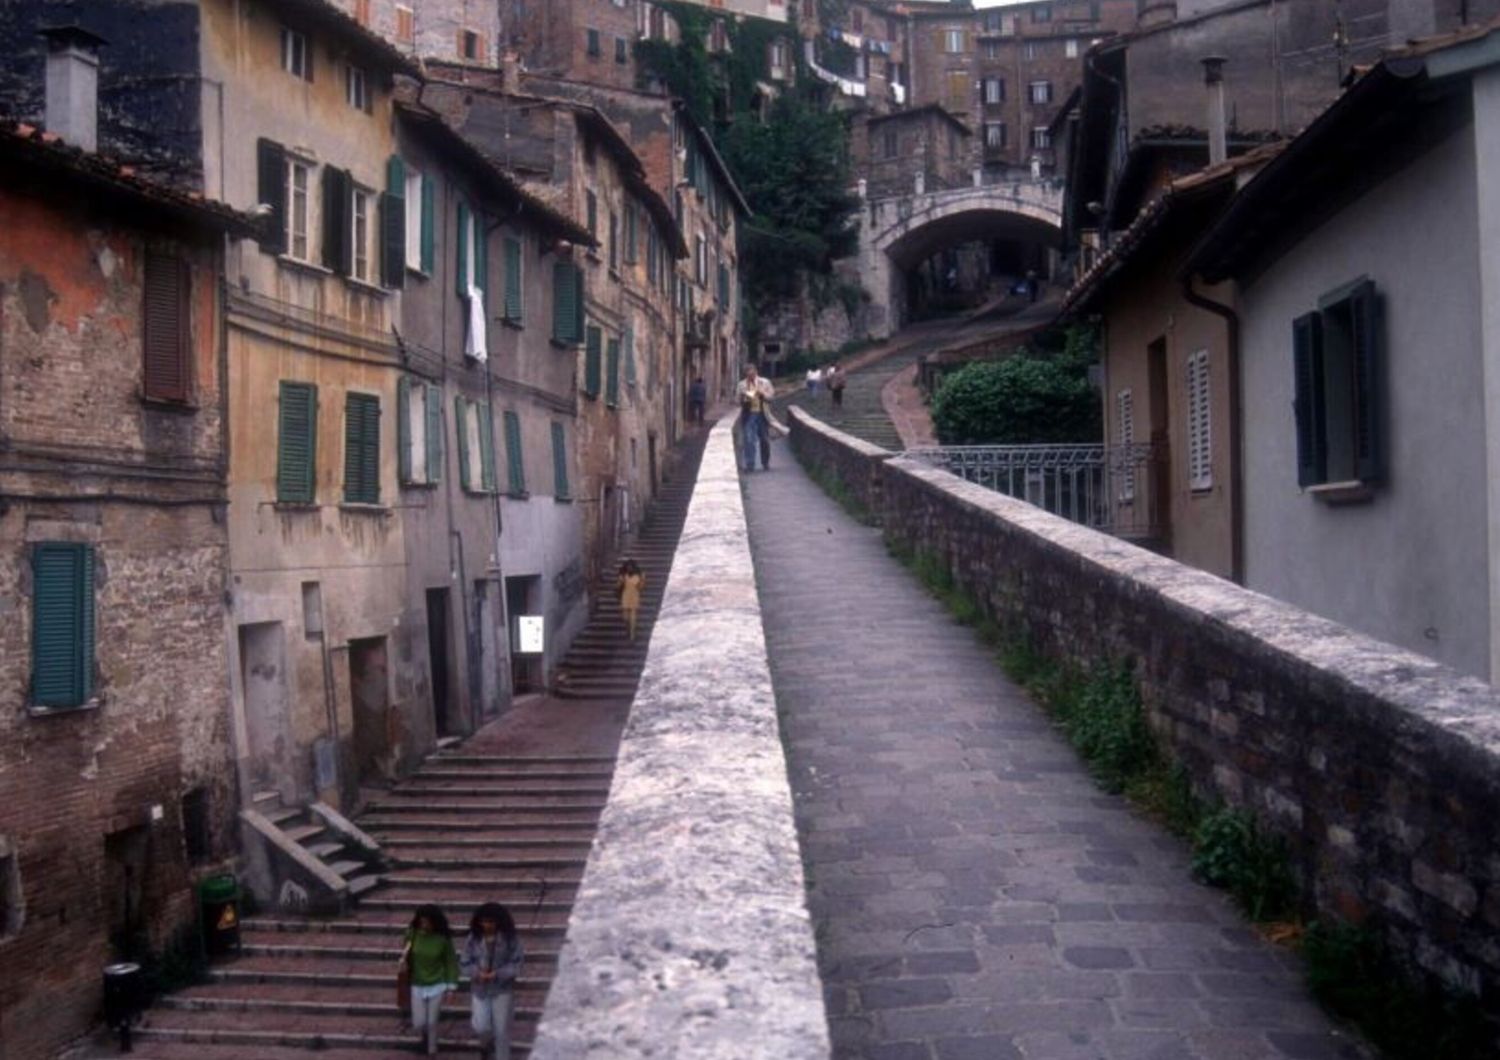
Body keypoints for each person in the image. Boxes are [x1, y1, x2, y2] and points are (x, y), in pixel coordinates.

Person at [461, 902, 525, 1060]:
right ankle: (485, 1045)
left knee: (502, 1030)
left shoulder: (511, 939)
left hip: (502, 989)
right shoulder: (473, 939)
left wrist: (499, 974)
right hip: (480, 989)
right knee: (482, 1026)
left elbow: (517, 963)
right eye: (484, 921)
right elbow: (464, 962)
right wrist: (477, 973)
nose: (487, 925)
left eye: (491, 921)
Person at [401, 905, 459, 1056]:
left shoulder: (443, 939)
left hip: (437, 983)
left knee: (432, 1020)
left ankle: (432, 1048)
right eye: (422, 922)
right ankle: (425, 1037)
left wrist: (451, 987)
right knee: (419, 1022)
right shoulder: (411, 934)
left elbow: (450, 962)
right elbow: (405, 952)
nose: (424, 925)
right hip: (417, 983)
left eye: (427, 922)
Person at [737, 364, 774, 472]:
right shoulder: (741, 384)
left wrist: (762, 394)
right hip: (748, 415)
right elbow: (737, 399)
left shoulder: (765, 382)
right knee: (749, 440)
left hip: (762, 414)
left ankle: (765, 462)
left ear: (756, 372)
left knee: (764, 439)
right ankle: (750, 464)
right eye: (748, 374)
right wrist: (745, 397)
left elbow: (771, 397)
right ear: (746, 374)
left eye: (752, 374)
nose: (751, 376)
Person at [616, 559, 646, 642]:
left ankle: (632, 635)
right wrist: (619, 581)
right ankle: (628, 629)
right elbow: (617, 587)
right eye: (628, 567)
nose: (629, 568)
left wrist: (643, 580)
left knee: (633, 617)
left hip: (634, 595)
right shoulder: (624, 575)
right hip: (625, 595)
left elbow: (641, 588)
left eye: (631, 567)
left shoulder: (638, 576)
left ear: (634, 567)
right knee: (625, 617)